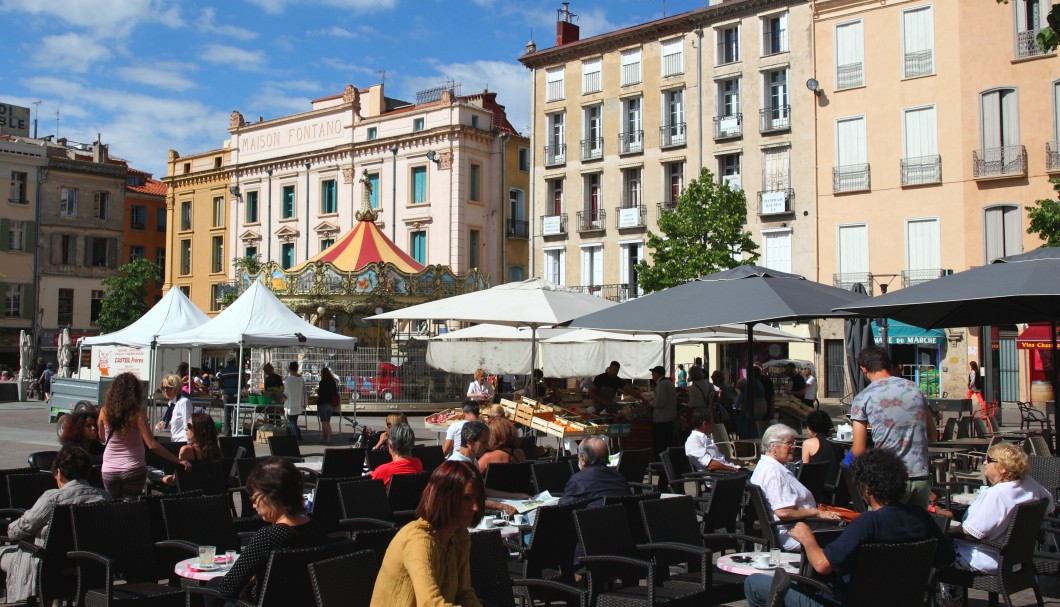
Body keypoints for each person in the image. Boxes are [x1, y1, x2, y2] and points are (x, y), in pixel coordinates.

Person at [744, 449, 955, 607]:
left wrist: (807, 538)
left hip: (847, 601)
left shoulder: (867, 523)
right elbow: (946, 557)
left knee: (754, 583)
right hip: (905, 599)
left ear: (867, 488)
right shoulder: (919, 516)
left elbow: (822, 565)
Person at [940, 443, 1053, 606]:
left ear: (1003, 468)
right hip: (1016, 558)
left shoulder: (997, 494)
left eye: (988, 459)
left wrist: (948, 526)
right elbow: (1049, 505)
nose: (984, 462)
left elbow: (972, 532)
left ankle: (950, 603)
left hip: (988, 557)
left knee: (938, 550)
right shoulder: (1029, 484)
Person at [203, 458, 327, 607]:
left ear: (271, 496)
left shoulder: (268, 537)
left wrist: (247, 584)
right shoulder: (315, 526)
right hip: (306, 601)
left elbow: (228, 587)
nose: (253, 504)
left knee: (212, 587)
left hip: (263, 602)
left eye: (255, 497)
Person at [0, 446, 110, 602]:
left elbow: (17, 531)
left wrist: (11, 526)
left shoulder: (53, 498)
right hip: (85, 564)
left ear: (58, 472)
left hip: (46, 563)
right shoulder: (104, 498)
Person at [370, 460, 484, 607]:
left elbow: (464, 593)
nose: (475, 507)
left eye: (478, 498)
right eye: (466, 498)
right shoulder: (419, 541)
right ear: (445, 498)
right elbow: (429, 603)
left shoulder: (459, 537)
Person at [850, 346, 936, 508]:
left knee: (883, 529)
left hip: (888, 479)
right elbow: (932, 435)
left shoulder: (864, 397)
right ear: (889, 365)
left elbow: (858, 450)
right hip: (920, 476)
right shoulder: (914, 389)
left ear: (864, 368)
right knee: (917, 530)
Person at [749, 424, 842, 550]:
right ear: (773, 447)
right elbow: (784, 511)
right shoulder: (774, 473)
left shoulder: (768, 465)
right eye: (789, 443)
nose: (794, 447)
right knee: (851, 539)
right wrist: (817, 513)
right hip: (794, 533)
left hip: (799, 527)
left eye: (795, 443)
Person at [98, 372, 190, 499]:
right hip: (133, 468)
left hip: (109, 469)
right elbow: (152, 445)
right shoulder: (137, 413)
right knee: (131, 508)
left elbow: (102, 437)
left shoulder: (104, 411)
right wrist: (177, 460)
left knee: (115, 509)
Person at [447, 421, 526, 513]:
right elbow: (463, 500)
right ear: (470, 441)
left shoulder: (473, 460)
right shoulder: (457, 464)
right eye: (484, 442)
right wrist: (501, 506)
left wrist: (516, 496)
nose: (487, 446)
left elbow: (481, 490)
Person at [558, 436, 629, 508]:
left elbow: (563, 508)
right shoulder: (620, 478)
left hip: (590, 518)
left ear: (583, 458)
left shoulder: (577, 480)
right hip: (619, 517)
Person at [685, 408, 741, 472]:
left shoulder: (707, 437)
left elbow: (722, 459)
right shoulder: (694, 440)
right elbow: (711, 465)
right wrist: (733, 469)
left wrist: (743, 463)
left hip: (728, 471)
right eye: (713, 421)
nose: (714, 424)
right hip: (719, 476)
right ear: (705, 424)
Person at [370, 423, 423, 489]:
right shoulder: (417, 463)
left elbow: (371, 493)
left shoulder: (382, 470)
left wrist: (376, 473)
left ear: (391, 445)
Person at [801, 410, 841, 486]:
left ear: (810, 428)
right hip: (837, 486)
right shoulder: (837, 443)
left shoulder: (808, 443)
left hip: (819, 487)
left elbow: (804, 470)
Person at [648, 365, 678, 455]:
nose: (652, 375)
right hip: (669, 418)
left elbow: (659, 402)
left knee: (660, 446)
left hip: (662, 420)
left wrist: (649, 403)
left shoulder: (661, 384)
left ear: (657, 374)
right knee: (667, 444)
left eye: (653, 373)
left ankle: (661, 464)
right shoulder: (669, 383)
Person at [155, 374, 193, 443]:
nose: (165, 390)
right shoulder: (172, 403)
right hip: (175, 440)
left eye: (169, 388)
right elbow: (175, 425)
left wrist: (188, 445)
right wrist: (163, 425)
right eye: (163, 388)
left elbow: (188, 426)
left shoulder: (183, 402)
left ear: (176, 389)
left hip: (183, 441)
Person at [217, 355, 242, 434]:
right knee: (236, 413)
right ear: (235, 361)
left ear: (227, 362)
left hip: (227, 394)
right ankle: (235, 431)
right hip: (237, 394)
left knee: (227, 414)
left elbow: (220, 385)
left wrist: (227, 388)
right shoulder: (239, 370)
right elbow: (243, 383)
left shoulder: (223, 371)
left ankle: (227, 432)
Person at [282, 361, 305, 440]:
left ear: (290, 369)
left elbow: (286, 394)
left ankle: (296, 438)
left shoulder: (288, 380)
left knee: (292, 422)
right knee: (294, 421)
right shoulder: (301, 379)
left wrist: (282, 399)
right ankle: (298, 436)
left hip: (290, 404)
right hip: (298, 403)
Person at [316, 367, 339, 443]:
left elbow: (320, 393)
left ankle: (325, 439)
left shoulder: (322, 382)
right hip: (331, 404)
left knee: (324, 422)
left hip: (323, 403)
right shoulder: (333, 382)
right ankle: (328, 439)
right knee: (328, 422)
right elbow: (336, 393)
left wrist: (318, 391)